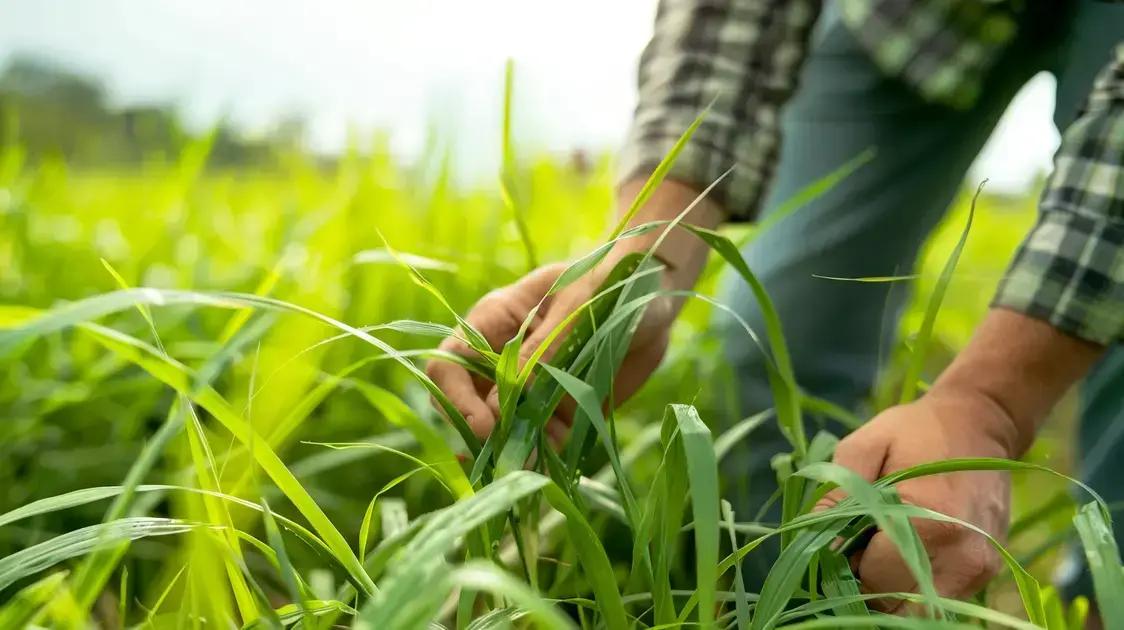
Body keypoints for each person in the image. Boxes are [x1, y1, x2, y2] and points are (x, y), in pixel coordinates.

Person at [427, 0, 1124, 611]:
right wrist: (646, 259)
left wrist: (989, 407)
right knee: (771, 346)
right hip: (905, 17)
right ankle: (776, 601)